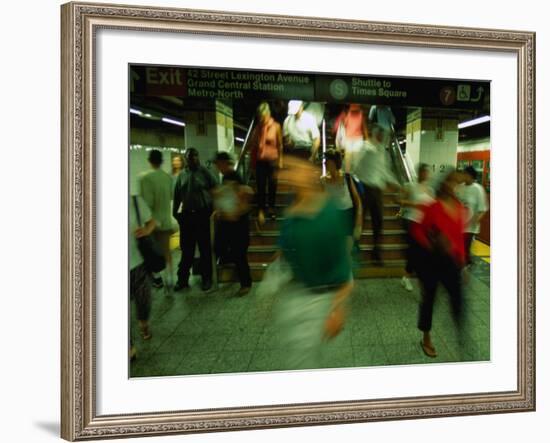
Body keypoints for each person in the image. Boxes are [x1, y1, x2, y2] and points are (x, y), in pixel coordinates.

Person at [275, 155, 354, 369]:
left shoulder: (328, 215)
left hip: (323, 301)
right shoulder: (292, 212)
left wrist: (337, 311)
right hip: (298, 297)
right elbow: (284, 250)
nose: (285, 174)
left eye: (293, 168)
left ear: (310, 173)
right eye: (285, 169)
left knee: (322, 368)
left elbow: (345, 270)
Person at [411, 169, 468, 358]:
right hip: (432, 260)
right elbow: (417, 230)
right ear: (445, 184)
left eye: (459, 183)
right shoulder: (432, 207)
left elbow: (459, 238)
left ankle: (461, 336)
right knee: (429, 300)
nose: (457, 187)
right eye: (454, 182)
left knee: (458, 299)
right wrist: (432, 243)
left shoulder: (460, 208)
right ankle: (426, 336)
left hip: (451, 262)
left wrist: (463, 262)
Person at [352, 124, 399, 264]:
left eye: (383, 135)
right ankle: (354, 250)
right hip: (364, 189)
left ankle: (376, 253)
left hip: (377, 191)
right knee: (359, 221)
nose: (382, 137)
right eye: (380, 134)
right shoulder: (364, 146)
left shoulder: (383, 152)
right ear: (374, 133)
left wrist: (397, 185)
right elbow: (354, 166)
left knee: (378, 222)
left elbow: (385, 172)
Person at [173, 147, 218, 292]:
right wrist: (177, 215)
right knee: (187, 250)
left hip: (202, 216)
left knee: (205, 249)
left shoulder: (205, 173)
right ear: (186, 159)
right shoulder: (181, 176)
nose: (192, 159)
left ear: (198, 157)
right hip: (187, 217)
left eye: (195, 157)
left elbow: (216, 190)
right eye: (189, 157)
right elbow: (177, 197)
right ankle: (182, 280)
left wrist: (214, 211)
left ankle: (207, 279)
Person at [212, 151, 253, 296]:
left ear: (224, 163)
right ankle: (239, 275)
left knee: (239, 253)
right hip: (228, 220)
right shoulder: (226, 177)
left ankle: (246, 284)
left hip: (238, 222)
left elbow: (245, 193)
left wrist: (236, 210)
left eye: (218, 164)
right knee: (221, 247)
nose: (217, 167)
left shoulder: (233, 176)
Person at [139, 149, 175, 291]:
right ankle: (170, 279)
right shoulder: (167, 177)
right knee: (166, 252)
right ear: (161, 161)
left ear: (149, 161)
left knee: (150, 252)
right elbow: (170, 196)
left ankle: (157, 279)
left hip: (152, 224)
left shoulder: (145, 178)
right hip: (166, 221)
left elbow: (146, 203)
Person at [399, 163, 434, 291]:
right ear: (418, 172)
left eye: (427, 172)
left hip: (424, 225)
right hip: (411, 221)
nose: (425, 174)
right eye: (423, 172)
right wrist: (414, 204)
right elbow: (399, 200)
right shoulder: (410, 186)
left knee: (420, 252)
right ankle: (407, 277)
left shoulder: (430, 190)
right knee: (414, 251)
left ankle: (409, 276)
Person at [129, 194, 156, 360]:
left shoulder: (134, 201)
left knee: (144, 299)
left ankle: (143, 321)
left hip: (137, 261)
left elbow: (152, 221)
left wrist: (146, 230)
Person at [249, 102, 283, 225]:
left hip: (273, 160)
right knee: (261, 186)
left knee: (273, 186)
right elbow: (253, 147)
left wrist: (280, 160)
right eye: (260, 116)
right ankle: (261, 210)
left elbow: (280, 145)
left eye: (263, 116)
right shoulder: (257, 128)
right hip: (260, 161)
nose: (261, 118)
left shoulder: (276, 126)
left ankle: (271, 208)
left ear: (268, 114)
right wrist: (252, 165)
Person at [322, 149, 363, 251]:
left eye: (327, 160)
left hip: (347, 215)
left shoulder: (347, 177)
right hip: (333, 217)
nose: (325, 163)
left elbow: (357, 200)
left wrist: (358, 218)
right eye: (325, 160)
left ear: (334, 162)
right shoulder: (323, 180)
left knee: (347, 249)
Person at [457, 166, 488, 266]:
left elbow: (483, 209)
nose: (462, 175)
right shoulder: (459, 187)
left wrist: (476, 220)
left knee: (465, 248)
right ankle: (464, 263)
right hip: (459, 223)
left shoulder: (478, 189)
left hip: (470, 227)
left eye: (464, 173)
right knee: (459, 248)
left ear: (470, 175)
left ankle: (465, 266)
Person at [334, 104, 368, 173]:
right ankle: (354, 175)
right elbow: (364, 127)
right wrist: (367, 140)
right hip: (357, 139)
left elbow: (343, 125)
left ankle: (348, 175)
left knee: (348, 158)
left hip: (350, 138)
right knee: (356, 160)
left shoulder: (348, 113)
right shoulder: (360, 114)